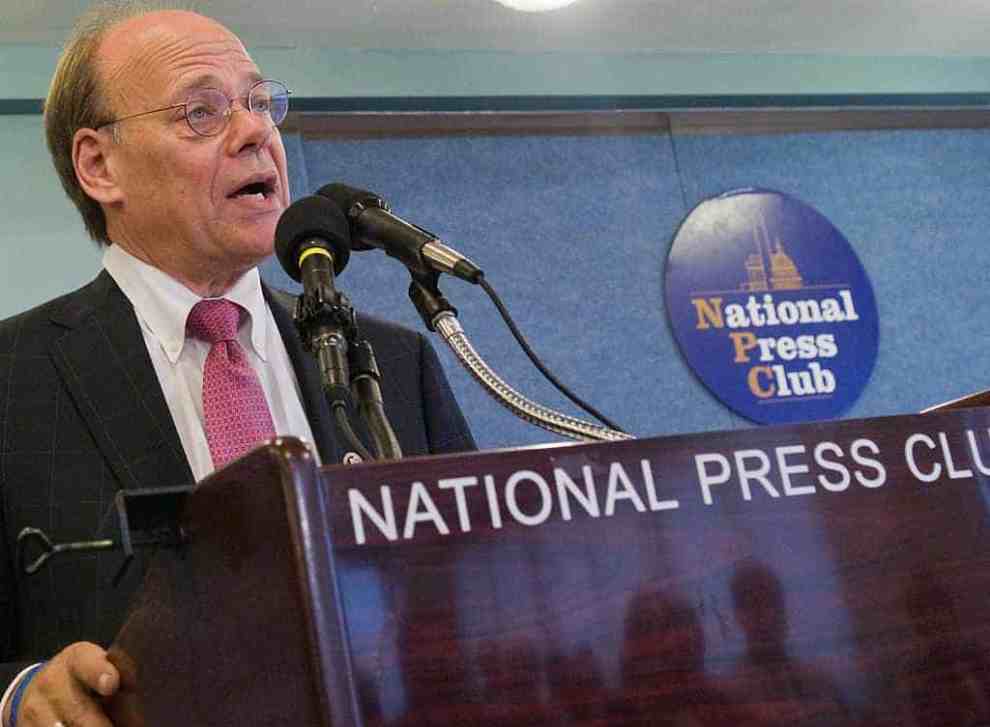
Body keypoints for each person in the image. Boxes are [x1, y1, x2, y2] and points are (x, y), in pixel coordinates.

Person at [0, 3, 474, 725]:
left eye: (259, 102)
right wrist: (19, 695)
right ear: (99, 165)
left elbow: (472, 600)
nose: (255, 132)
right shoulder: (13, 378)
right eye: (201, 112)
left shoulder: (394, 362)